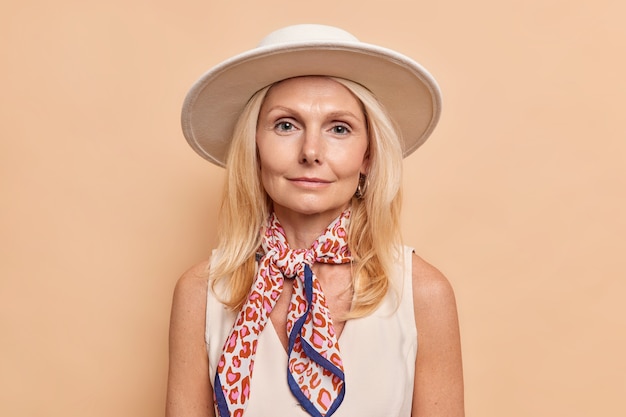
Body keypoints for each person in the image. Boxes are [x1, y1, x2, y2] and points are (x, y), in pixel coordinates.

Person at [166, 24, 464, 417]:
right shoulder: (200, 294)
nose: (310, 151)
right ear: (254, 149)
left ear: (368, 157)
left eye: (339, 128)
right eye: (285, 125)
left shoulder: (422, 294)